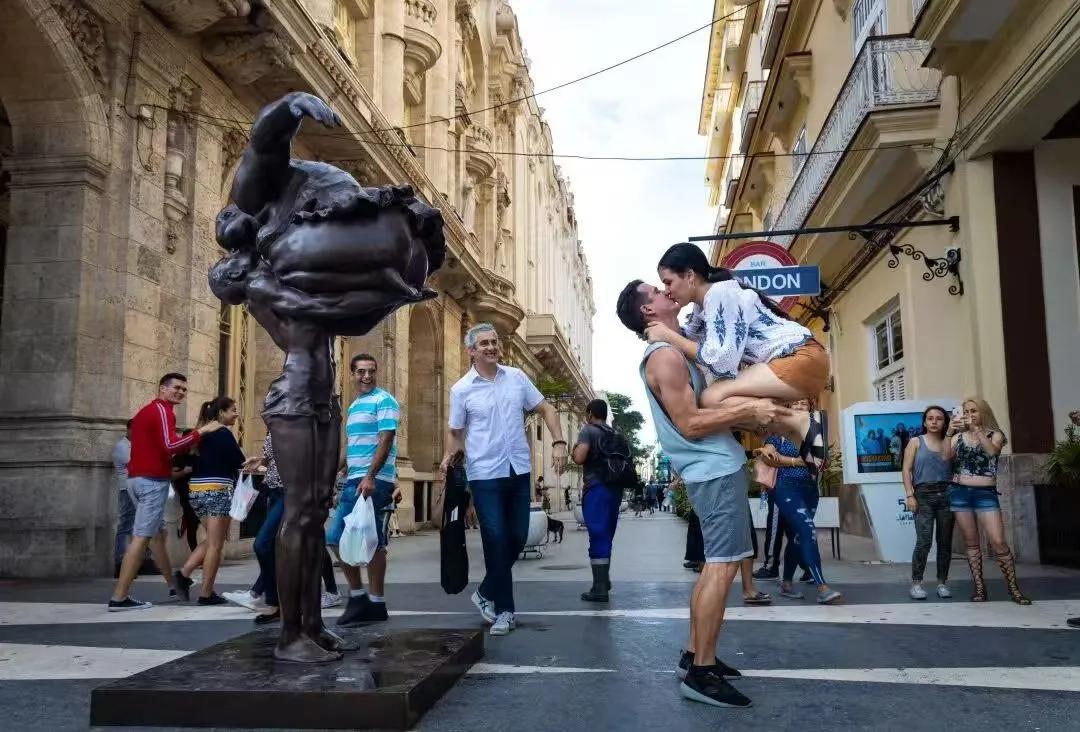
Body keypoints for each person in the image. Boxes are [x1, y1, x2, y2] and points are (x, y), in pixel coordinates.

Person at [618, 278, 790, 708]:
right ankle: (702, 673)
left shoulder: (673, 350)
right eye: (657, 290)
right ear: (647, 311)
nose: (667, 290)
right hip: (713, 470)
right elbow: (690, 423)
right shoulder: (665, 356)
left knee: (716, 565)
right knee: (723, 567)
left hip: (714, 468)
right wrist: (749, 409)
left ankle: (694, 655)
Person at [642, 244, 829, 474]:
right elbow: (687, 339)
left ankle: (797, 421)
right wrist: (657, 329)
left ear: (690, 275)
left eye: (668, 282)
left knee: (712, 398)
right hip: (799, 362)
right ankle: (793, 429)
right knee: (722, 405)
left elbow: (721, 362)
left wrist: (667, 335)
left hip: (799, 357)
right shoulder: (704, 307)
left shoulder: (720, 294)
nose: (667, 290)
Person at [440, 323, 568, 637]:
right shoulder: (461, 389)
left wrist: (558, 442)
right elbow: (456, 431)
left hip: (518, 470)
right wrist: (448, 457)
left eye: (494, 342)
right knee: (495, 538)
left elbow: (547, 409)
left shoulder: (516, 378)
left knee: (518, 536)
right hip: (484, 474)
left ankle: (486, 591)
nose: (491, 347)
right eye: (483, 343)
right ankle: (504, 610)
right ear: (471, 351)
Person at [107, 373, 221, 611]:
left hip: (138, 480)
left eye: (184, 389)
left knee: (157, 535)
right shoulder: (162, 410)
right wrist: (202, 432)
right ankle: (119, 598)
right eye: (176, 388)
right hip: (150, 481)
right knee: (141, 537)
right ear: (162, 388)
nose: (181, 392)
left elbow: (159, 446)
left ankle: (172, 586)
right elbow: (171, 446)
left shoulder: (148, 412)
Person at [327, 353, 402, 625]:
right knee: (370, 541)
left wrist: (370, 476)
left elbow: (386, 438)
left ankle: (360, 598)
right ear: (352, 374)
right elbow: (350, 445)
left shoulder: (384, 400)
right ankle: (374, 603)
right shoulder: (354, 405)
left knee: (337, 537)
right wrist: (333, 473)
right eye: (361, 371)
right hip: (354, 479)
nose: (366, 376)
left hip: (372, 481)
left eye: (371, 371)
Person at [943, 397, 1030, 604]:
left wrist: (977, 430)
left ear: (983, 412)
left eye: (974, 411)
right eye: (966, 411)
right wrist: (949, 432)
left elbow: (992, 452)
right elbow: (945, 456)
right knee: (971, 542)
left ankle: (1014, 589)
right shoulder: (958, 437)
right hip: (960, 493)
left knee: (998, 541)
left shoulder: (995, 434)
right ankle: (980, 589)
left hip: (985, 494)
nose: (969, 415)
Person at [754, 400, 842, 605]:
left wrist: (818, 462)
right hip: (786, 488)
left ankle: (786, 584)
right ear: (788, 408)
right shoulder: (780, 434)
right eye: (796, 403)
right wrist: (799, 461)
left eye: (804, 403)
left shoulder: (814, 434)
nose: (800, 406)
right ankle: (822, 587)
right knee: (807, 529)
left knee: (798, 536)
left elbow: (823, 461)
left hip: (810, 490)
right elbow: (768, 457)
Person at [175, 397, 246, 605]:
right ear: (221, 412)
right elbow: (239, 462)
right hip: (217, 489)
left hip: (196, 491)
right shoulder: (223, 433)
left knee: (213, 540)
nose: (236, 414)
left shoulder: (200, 433)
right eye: (233, 410)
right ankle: (205, 593)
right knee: (215, 544)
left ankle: (185, 574)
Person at [572, 399, 625, 602]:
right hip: (615, 489)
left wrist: (574, 450)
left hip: (596, 489)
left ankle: (600, 588)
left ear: (590, 413)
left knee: (597, 534)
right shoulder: (615, 433)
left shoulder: (589, 430)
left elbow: (579, 457)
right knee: (607, 534)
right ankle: (603, 580)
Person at [225, 434, 281, 623]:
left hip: (290, 492)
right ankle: (266, 599)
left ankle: (271, 600)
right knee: (272, 547)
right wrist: (261, 461)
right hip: (272, 490)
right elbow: (274, 457)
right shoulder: (273, 426)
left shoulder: (294, 423)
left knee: (262, 544)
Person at [902, 406, 955, 601]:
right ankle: (916, 583)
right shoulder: (915, 442)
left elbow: (952, 463)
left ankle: (942, 583)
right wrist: (910, 495)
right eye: (930, 418)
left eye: (939, 418)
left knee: (945, 542)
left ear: (945, 422)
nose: (934, 421)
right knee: (924, 541)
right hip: (923, 494)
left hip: (947, 494)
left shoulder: (951, 442)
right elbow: (906, 469)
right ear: (924, 422)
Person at [112, 421, 135, 577]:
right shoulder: (122, 446)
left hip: (136, 488)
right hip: (127, 489)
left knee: (137, 527)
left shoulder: (134, 445)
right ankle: (120, 562)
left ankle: (137, 562)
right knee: (126, 526)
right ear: (128, 429)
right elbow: (133, 464)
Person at [170, 433, 199, 553]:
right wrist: (184, 471)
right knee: (192, 527)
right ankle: (196, 556)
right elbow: (171, 476)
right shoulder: (179, 457)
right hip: (187, 497)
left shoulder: (200, 456)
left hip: (201, 495)